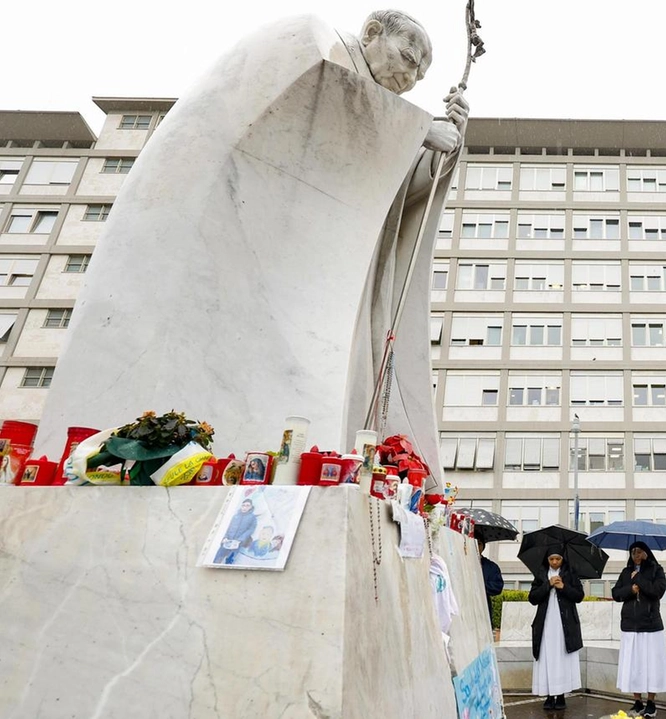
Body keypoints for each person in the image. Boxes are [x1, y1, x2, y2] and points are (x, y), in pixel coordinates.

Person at [35, 9, 468, 457]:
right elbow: (314, 109)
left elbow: (381, 194)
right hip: (220, 248)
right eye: (406, 57)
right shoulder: (310, 43)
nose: (411, 76)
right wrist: (414, 128)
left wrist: (443, 150)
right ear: (373, 33)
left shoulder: (374, 97)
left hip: (301, 279)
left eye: (420, 72)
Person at [611, 541, 666, 718]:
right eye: (633, 552)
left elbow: (657, 591)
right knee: (634, 665)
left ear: (646, 553)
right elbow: (616, 593)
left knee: (651, 665)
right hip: (630, 626)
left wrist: (638, 578)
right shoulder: (626, 572)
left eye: (639, 552)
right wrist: (631, 589)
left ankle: (651, 702)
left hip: (650, 626)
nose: (636, 556)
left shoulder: (656, 570)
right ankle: (637, 701)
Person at [529, 550, 584, 711]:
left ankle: (560, 695)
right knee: (546, 656)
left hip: (564, 623)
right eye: (551, 559)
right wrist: (548, 584)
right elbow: (533, 598)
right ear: (547, 560)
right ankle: (548, 694)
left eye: (557, 559)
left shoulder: (571, 573)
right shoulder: (541, 574)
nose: (554, 562)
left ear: (562, 559)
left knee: (561, 656)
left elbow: (579, 595)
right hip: (545, 623)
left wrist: (562, 586)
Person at [213, 499, 257, 564]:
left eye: (247, 506)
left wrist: (240, 540)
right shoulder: (235, 516)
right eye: (243, 505)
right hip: (227, 541)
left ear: (251, 507)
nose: (245, 507)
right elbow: (227, 527)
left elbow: (251, 530)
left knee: (229, 560)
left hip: (237, 543)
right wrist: (225, 537)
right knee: (218, 558)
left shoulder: (252, 518)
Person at [477, 540, 505, 630]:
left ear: (483, 546)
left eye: (479, 543)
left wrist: (480, 585)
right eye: (474, 542)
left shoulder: (491, 566)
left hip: (483, 609)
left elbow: (498, 587)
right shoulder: (460, 563)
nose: (476, 546)